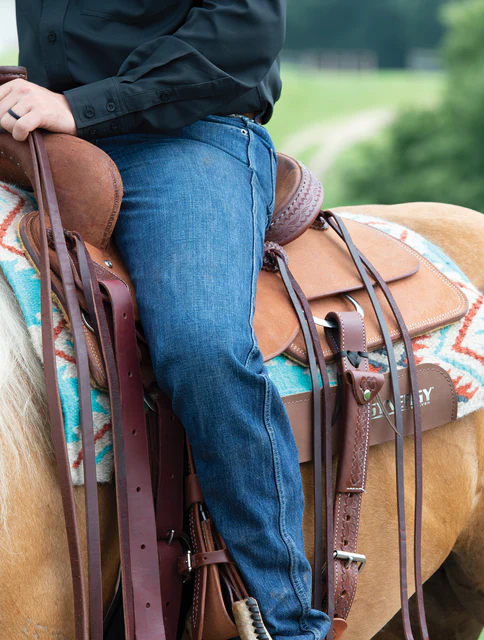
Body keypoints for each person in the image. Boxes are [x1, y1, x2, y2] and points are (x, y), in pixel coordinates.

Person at [0, 2, 331, 639]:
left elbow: (241, 33)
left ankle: (289, 620)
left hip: (184, 138)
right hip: (41, 141)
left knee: (200, 344)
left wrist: (83, 106)